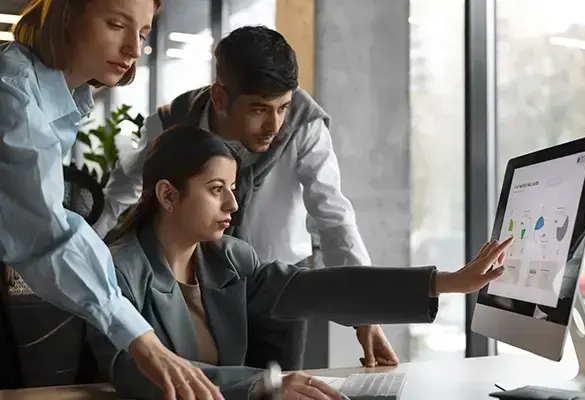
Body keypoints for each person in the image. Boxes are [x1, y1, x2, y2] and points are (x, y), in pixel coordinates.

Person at [87, 124, 512, 400]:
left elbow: (317, 289)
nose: (233, 203)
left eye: (233, 188)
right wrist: (262, 385)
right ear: (167, 195)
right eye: (217, 189)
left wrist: (446, 282)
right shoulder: (115, 271)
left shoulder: (230, 259)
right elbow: (137, 373)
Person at [93, 25, 396, 371]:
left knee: (280, 392)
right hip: (196, 288)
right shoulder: (174, 123)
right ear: (220, 98)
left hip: (278, 289)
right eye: (259, 110)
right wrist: (84, 263)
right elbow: (120, 194)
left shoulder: (304, 124)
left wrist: (366, 312)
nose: (275, 125)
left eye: (283, 107)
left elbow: (334, 218)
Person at [0, 1, 223, 398]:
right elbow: (49, 232)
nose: (134, 50)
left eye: (141, 34)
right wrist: (141, 338)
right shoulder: (13, 94)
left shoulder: (50, 91)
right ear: (66, 15)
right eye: (117, 25)